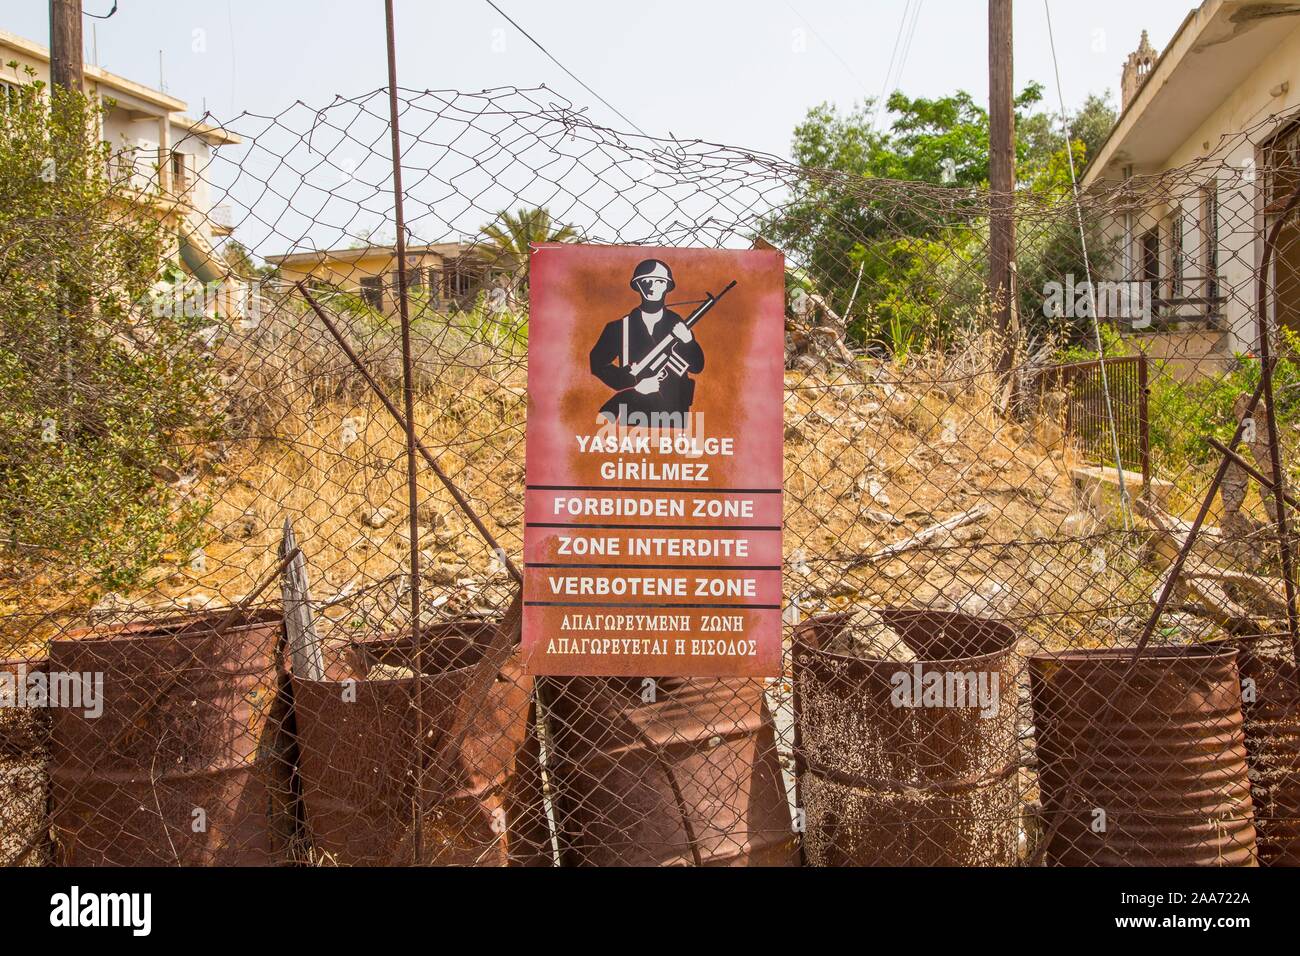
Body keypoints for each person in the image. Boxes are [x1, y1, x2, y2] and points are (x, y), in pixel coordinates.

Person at [589, 259, 704, 424]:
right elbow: (597, 363)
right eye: (646, 281)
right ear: (638, 285)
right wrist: (634, 385)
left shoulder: (678, 324)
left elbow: (697, 367)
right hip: (635, 414)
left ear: (667, 286)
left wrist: (688, 341)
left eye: (659, 281)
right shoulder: (620, 327)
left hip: (674, 414)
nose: (652, 287)